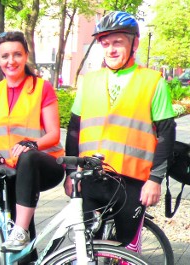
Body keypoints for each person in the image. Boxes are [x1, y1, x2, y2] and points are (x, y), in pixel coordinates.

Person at [65, 11, 176, 249]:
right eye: (105, 44)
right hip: (91, 178)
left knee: (126, 251)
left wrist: (155, 180)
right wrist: (70, 173)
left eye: (118, 43)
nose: (111, 50)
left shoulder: (153, 82)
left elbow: (166, 134)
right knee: (86, 250)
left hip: (132, 181)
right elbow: (74, 129)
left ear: (134, 43)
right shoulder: (89, 81)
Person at [0, 31, 65, 252]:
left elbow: (54, 134)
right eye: (5, 56)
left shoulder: (41, 88)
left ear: (26, 55)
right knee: (21, 244)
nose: (11, 61)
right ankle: (22, 235)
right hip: (10, 170)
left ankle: (21, 231)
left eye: (17, 54)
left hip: (44, 164)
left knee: (27, 159)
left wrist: (32, 144)